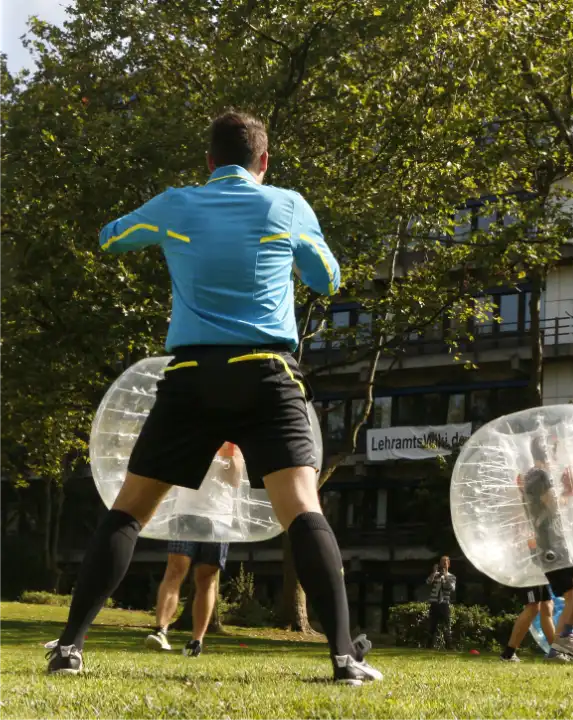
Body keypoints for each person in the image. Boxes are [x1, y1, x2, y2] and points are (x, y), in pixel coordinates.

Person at [45, 112, 381, 686]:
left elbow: (111, 238)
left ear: (208, 162)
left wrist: (172, 232)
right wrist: (294, 244)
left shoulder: (180, 204)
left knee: (129, 509)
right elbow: (328, 278)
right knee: (304, 507)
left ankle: (70, 647)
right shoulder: (288, 204)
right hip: (268, 374)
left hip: (193, 376)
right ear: (264, 162)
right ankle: (345, 657)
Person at [144, 442, 241, 657]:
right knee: (175, 570)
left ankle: (196, 641)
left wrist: (230, 457)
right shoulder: (191, 435)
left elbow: (235, 481)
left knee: (206, 579)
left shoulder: (233, 445)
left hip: (218, 518)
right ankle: (161, 630)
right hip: (185, 514)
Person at [517, 435, 573, 661]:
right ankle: (565, 637)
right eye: (554, 450)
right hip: (554, 546)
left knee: (572, 596)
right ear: (547, 453)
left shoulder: (530, 477)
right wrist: (569, 492)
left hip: (549, 546)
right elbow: (553, 507)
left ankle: (557, 650)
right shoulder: (541, 475)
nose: (556, 455)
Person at [500, 585, 555, 662]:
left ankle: (556, 651)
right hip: (530, 575)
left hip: (540, 576)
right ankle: (508, 654)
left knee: (547, 605)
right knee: (533, 607)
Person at [427, 556, 457, 650]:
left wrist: (446, 576)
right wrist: (434, 572)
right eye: (442, 563)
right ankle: (429, 646)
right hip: (434, 603)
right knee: (432, 625)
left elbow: (452, 588)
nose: (443, 564)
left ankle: (449, 646)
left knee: (446, 626)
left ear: (449, 564)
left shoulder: (452, 576)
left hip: (444, 603)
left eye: (445, 563)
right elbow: (428, 582)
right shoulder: (435, 575)